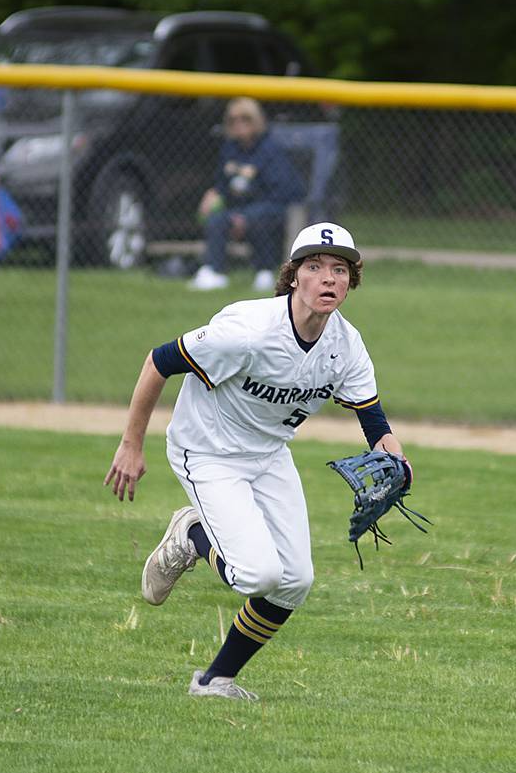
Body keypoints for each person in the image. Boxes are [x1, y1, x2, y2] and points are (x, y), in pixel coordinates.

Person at [104, 221, 406, 701]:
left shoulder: (345, 346)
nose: (328, 278)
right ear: (293, 277)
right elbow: (158, 361)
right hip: (207, 450)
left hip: (267, 454)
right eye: (314, 267)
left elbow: (375, 424)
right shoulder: (247, 332)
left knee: (295, 582)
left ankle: (214, 681)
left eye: (339, 269)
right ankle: (190, 535)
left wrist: (397, 463)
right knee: (257, 574)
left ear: (351, 281)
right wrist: (131, 443)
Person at [189, 97, 305, 294]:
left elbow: (284, 191)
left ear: (256, 121)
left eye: (245, 119)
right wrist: (214, 193)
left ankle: (264, 271)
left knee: (255, 219)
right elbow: (224, 184)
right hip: (238, 208)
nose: (238, 124)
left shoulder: (270, 149)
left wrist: (245, 214)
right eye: (233, 120)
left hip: (271, 207)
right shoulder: (230, 149)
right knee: (217, 219)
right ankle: (213, 271)